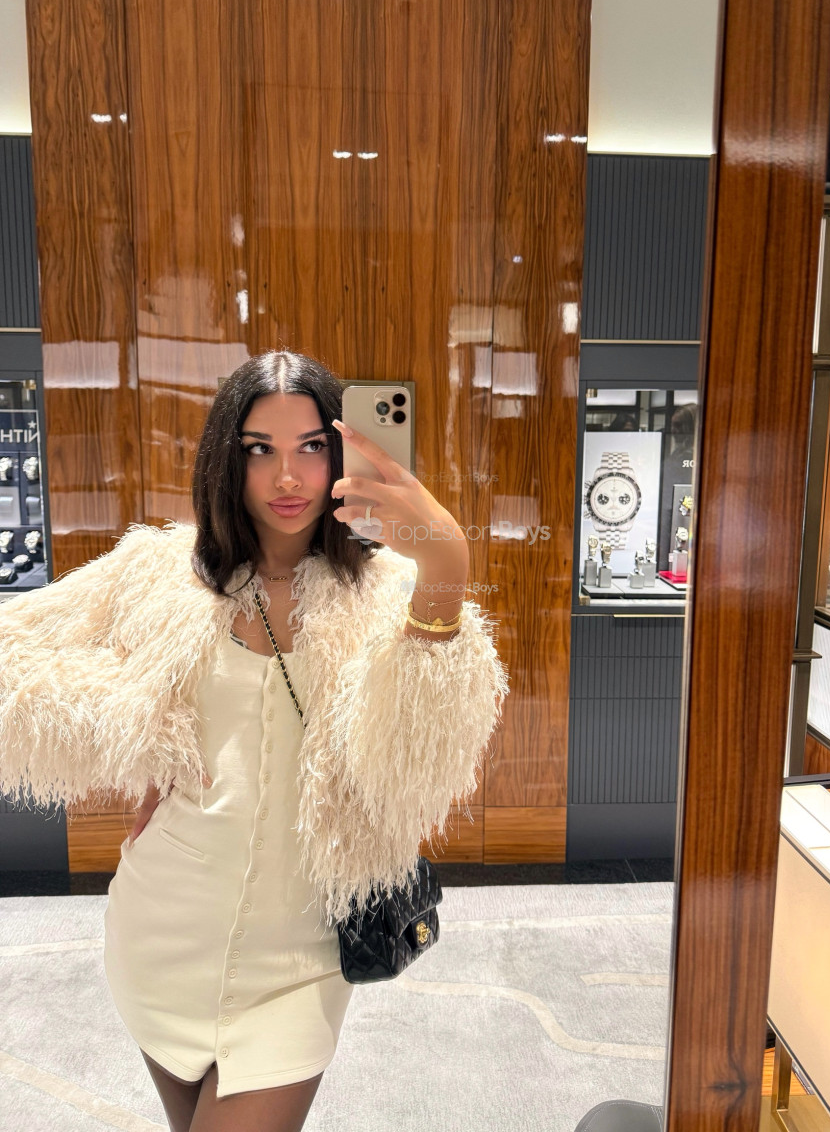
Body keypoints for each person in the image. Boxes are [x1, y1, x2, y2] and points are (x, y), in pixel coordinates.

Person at [0, 350, 509, 1132]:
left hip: (300, 956)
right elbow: (17, 651)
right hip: (163, 930)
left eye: (312, 446)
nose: (287, 476)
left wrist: (446, 561)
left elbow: (420, 755)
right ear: (226, 459)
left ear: (342, 452)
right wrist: (136, 730)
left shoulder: (389, 595)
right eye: (259, 449)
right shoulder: (158, 574)